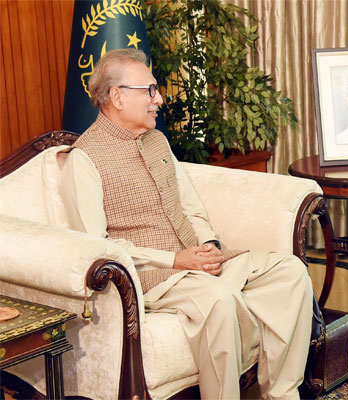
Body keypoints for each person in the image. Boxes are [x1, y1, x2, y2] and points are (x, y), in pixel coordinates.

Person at [58, 48, 313, 399]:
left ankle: (282, 395)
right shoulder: (85, 159)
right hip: (153, 276)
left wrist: (209, 245)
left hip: (196, 260)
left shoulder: (157, 140)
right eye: (150, 90)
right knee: (221, 299)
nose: (158, 100)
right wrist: (176, 260)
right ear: (117, 97)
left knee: (290, 272)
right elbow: (97, 248)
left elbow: (191, 206)